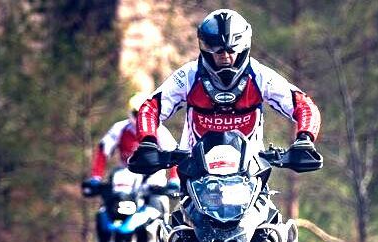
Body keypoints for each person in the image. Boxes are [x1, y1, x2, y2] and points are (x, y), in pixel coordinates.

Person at [134, 8, 320, 159]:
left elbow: (303, 105)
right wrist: (148, 141)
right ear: (206, 48)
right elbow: (151, 107)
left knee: (271, 199)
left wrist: (304, 139)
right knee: (178, 198)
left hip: (251, 171)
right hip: (195, 169)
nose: (225, 56)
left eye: (231, 50)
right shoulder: (188, 76)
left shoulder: (260, 75)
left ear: (243, 47)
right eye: (217, 51)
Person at [82, 92, 178, 242]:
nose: (139, 119)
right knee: (104, 209)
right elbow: (103, 150)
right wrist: (96, 177)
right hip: (126, 178)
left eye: (143, 114)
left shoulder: (160, 131)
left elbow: (174, 154)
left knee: (160, 210)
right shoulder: (120, 129)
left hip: (153, 179)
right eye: (136, 114)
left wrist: (174, 180)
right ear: (130, 113)